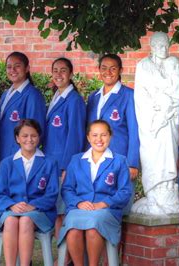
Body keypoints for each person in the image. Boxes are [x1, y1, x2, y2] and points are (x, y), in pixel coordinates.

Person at [58, 120, 132, 266]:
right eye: (95, 135)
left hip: (106, 210)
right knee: (73, 228)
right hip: (79, 208)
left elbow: (124, 191)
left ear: (110, 136)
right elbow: (67, 189)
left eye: (104, 135)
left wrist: (103, 203)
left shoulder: (119, 161)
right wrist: (78, 202)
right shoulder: (76, 160)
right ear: (88, 137)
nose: (99, 139)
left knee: (93, 226)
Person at [132, 32, 179, 215]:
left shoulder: (174, 64)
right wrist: (157, 110)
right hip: (152, 122)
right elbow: (140, 96)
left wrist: (168, 105)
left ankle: (169, 191)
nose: (164, 50)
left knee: (169, 154)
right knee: (153, 156)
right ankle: (154, 195)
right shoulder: (143, 66)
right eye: (160, 46)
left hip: (170, 120)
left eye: (166, 46)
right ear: (152, 47)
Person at [0, 119, 59, 266]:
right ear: (17, 138)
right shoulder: (7, 163)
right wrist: (11, 205)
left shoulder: (50, 162)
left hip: (40, 212)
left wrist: (33, 206)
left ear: (39, 137)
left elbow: (52, 194)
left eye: (33, 135)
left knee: (25, 220)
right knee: (10, 221)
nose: (29, 139)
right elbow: (0, 194)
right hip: (11, 210)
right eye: (24, 136)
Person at [86, 54, 139, 214]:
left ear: (120, 70)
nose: (108, 72)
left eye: (113, 68)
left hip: (119, 158)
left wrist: (132, 162)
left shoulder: (129, 95)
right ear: (99, 70)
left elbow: (134, 130)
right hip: (95, 160)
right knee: (96, 207)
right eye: (104, 68)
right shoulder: (93, 97)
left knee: (117, 209)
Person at [43, 57, 86, 255]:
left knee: (63, 213)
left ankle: (66, 257)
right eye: (55, 70)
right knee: (57, 213)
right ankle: (63, 255)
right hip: (52, 163)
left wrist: (68, 167)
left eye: (63, 70)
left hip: (63, 166)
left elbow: (76, 135)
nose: (58, 74)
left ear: (70, 74)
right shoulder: (56, 97)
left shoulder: (74, 100)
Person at [0, 51, 46, 163]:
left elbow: (35, 131)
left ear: (27, 68)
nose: (12, 70)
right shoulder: (6, 94)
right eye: (9, 67)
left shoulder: (33, 95)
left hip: (19, 158)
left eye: (17, 66)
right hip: (1, 155)